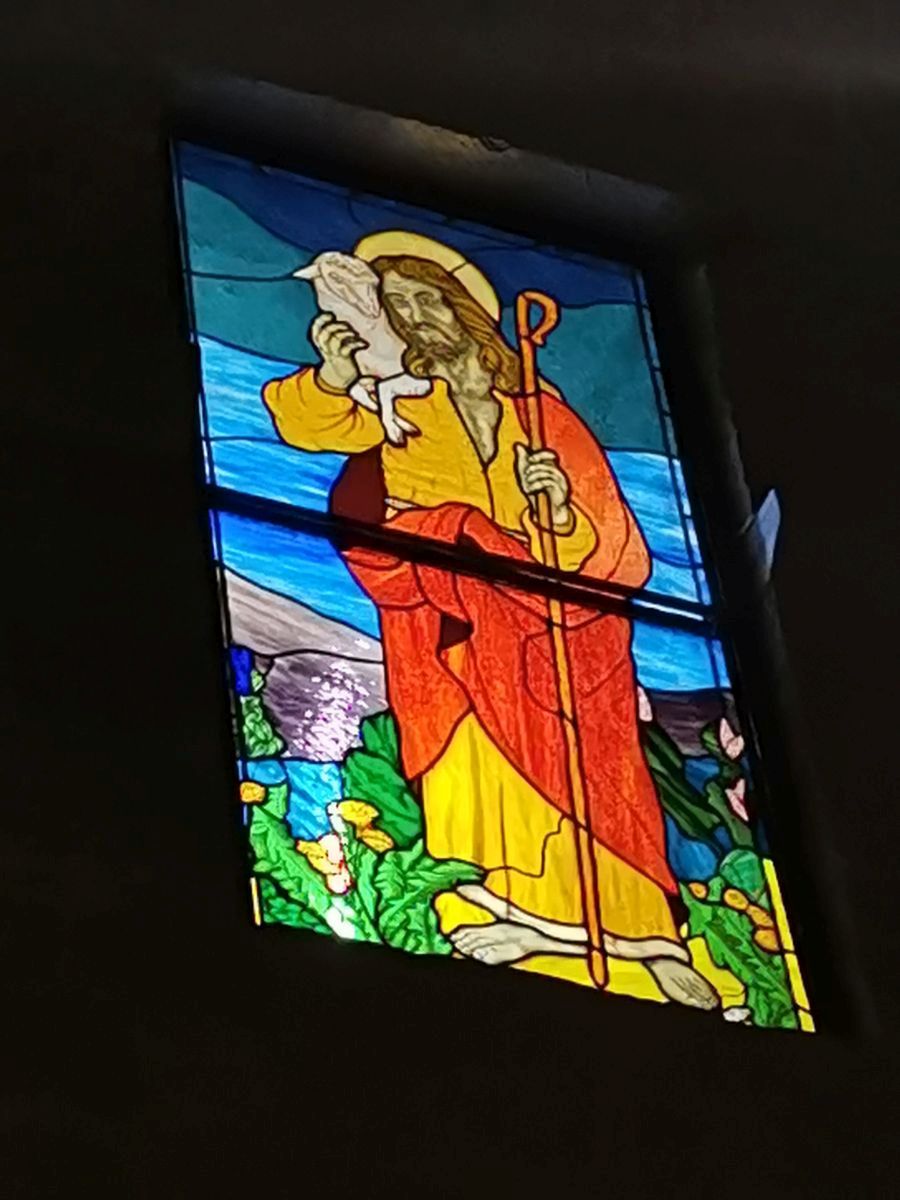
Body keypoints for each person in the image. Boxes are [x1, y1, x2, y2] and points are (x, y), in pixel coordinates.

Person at [263, 233, 718, 1010]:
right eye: (397, 306)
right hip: (453, 629)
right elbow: (311, 426)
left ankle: (642, 934)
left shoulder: (544, 418)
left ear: (468, 312)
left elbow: (617, 551)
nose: (414, 317)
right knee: (481, 766)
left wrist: (560, 509)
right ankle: (524, 916)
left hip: (561, 635)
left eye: (428, 301)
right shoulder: (401, 405)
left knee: (591, 777)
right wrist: (335, 375)